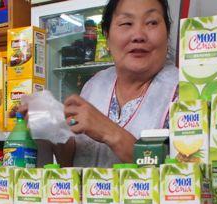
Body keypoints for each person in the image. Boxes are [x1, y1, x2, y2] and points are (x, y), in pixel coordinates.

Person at [24, 0, 178, 167]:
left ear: (167, 33)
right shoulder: (95, 85)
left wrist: (109, 132)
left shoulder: (184, 90)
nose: (138, 35)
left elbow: (183, 172)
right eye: (126, 23)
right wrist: (52, 128)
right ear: (107, 36)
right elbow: (73, 163)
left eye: (152, 22)